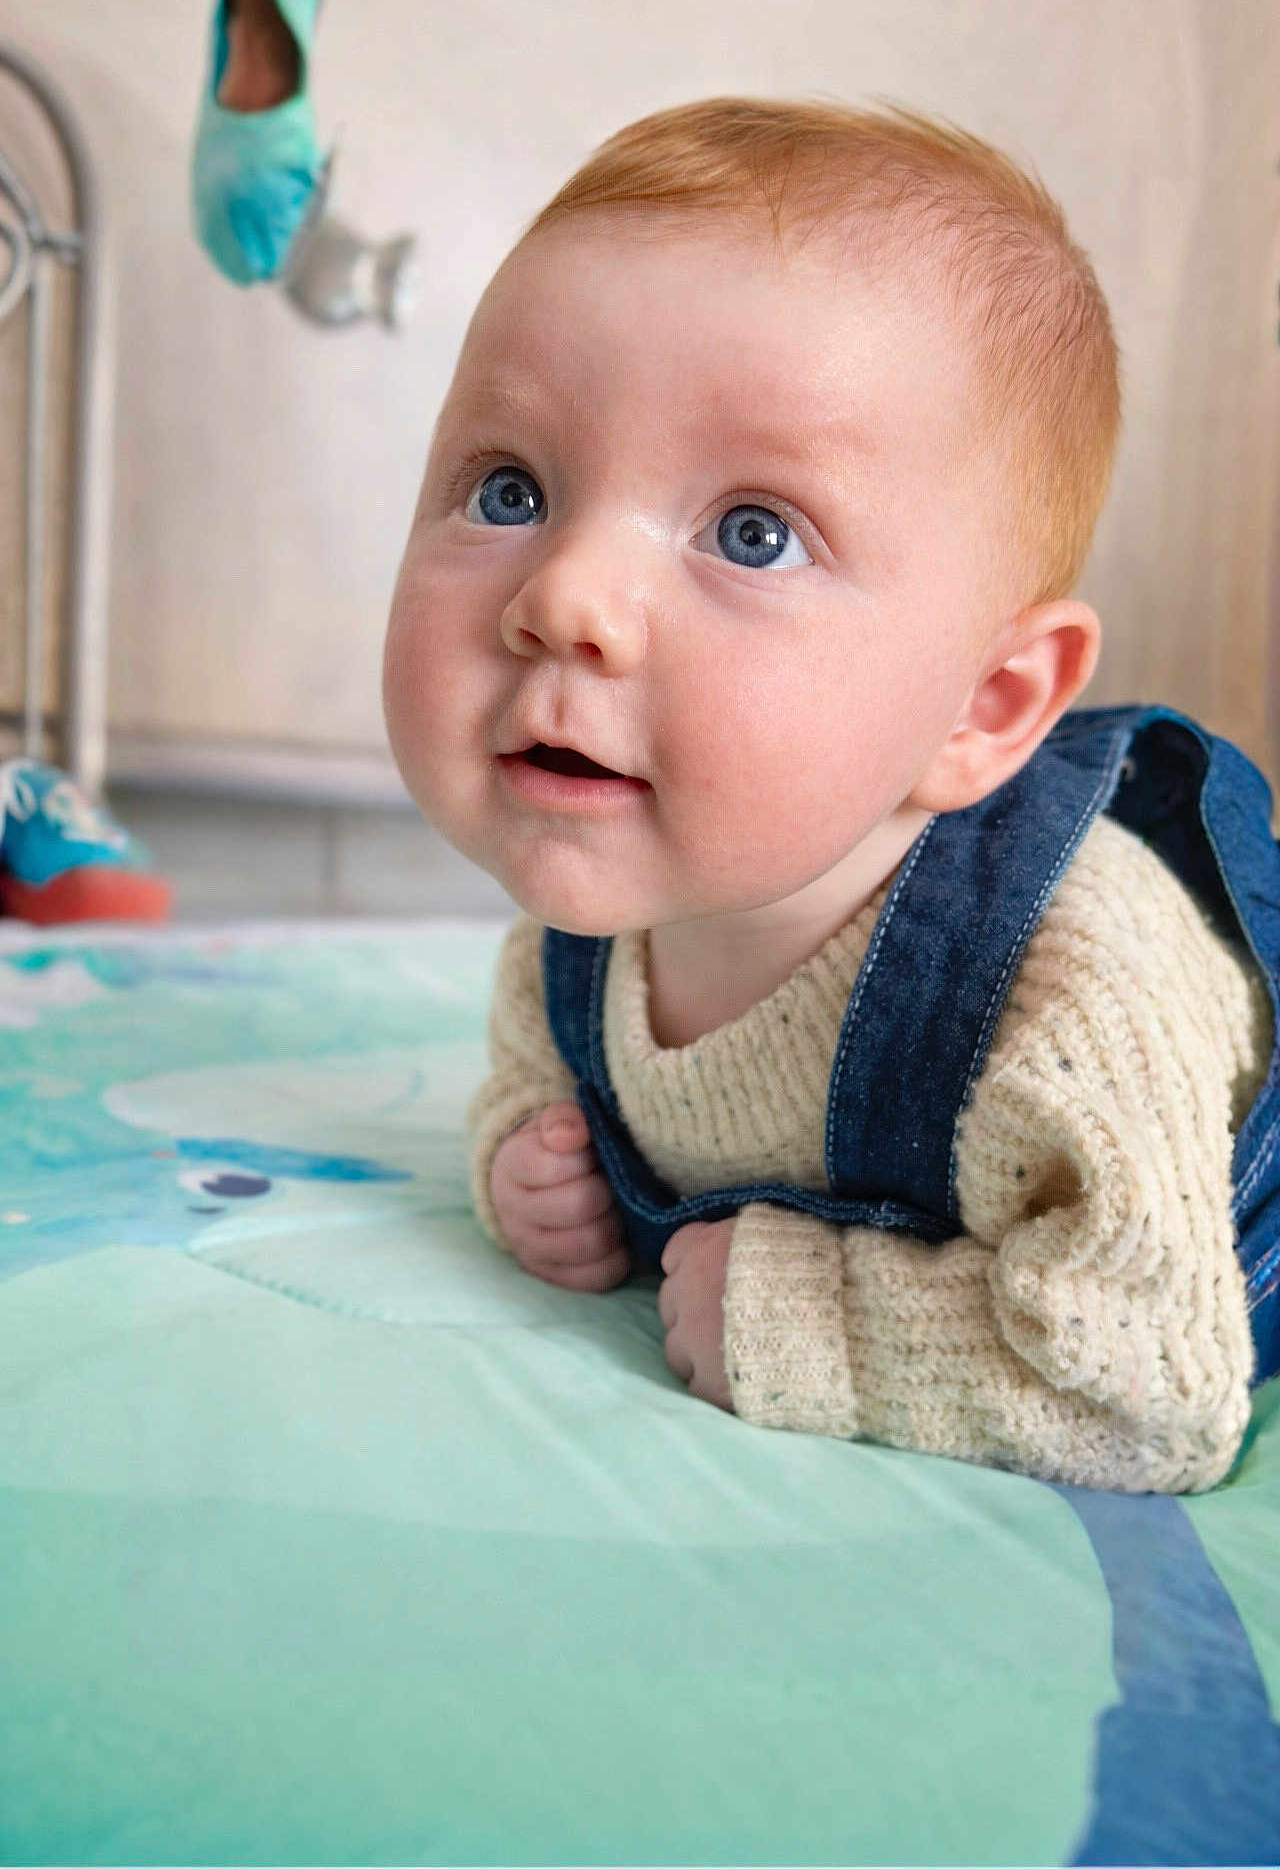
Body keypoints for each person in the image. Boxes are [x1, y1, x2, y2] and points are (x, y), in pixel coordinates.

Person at [381, 95, 1280, 1494]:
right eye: (510, 490)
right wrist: (525, 1164)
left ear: (983, 707)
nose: (564, 598)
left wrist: (808, 1319)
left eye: (753, 532)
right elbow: (536, 1078)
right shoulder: (590, 921)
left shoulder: (1071, 993)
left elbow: (1153, 1394)